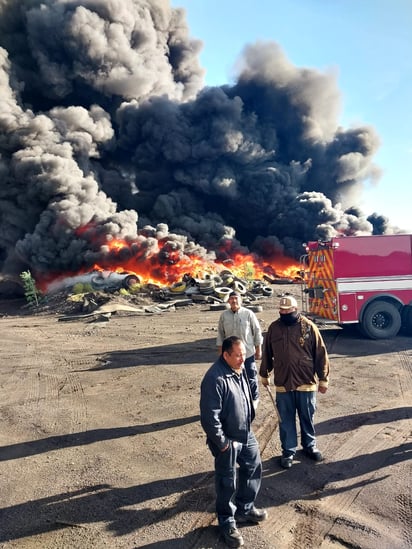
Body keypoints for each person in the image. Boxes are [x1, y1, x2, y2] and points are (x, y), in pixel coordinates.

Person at [200, 336, 268, 548]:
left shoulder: (240, 370)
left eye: (243, 354)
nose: (242, 358)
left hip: (245, 433)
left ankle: (245, 508)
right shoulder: (214, 378)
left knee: (253, 467)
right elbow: (209, 418)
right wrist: (222, 443)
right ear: (225, 354)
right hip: (227, 439)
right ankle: (227, 521)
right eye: (237, 355)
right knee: (226, 481)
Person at [259, 296, 330, 469]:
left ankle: (309, 446)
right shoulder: (274, 328)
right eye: (282, 310)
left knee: (307, 417)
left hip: (306, 381)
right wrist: (264, 373)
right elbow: (267, 352)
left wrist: (323, 379)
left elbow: (321, 353)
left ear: (295, 309)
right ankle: (288, 451)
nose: (284, 313)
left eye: (288, 310)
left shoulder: (308, 327)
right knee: (285, 420)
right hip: (283, 382)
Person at [216, 291, 263, 409]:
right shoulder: (224, 316)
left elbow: (257, 331)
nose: (234, 301)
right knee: (231, 378)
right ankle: (235, 400)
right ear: (228, 301)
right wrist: (221, 351)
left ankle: (254, 398)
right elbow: (221, 334)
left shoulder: (248, 314)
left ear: (241, 300)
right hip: (230, 356)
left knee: (250, 376)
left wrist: (259, 349)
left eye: (236, 298)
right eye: (231, 299)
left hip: (247, 353)